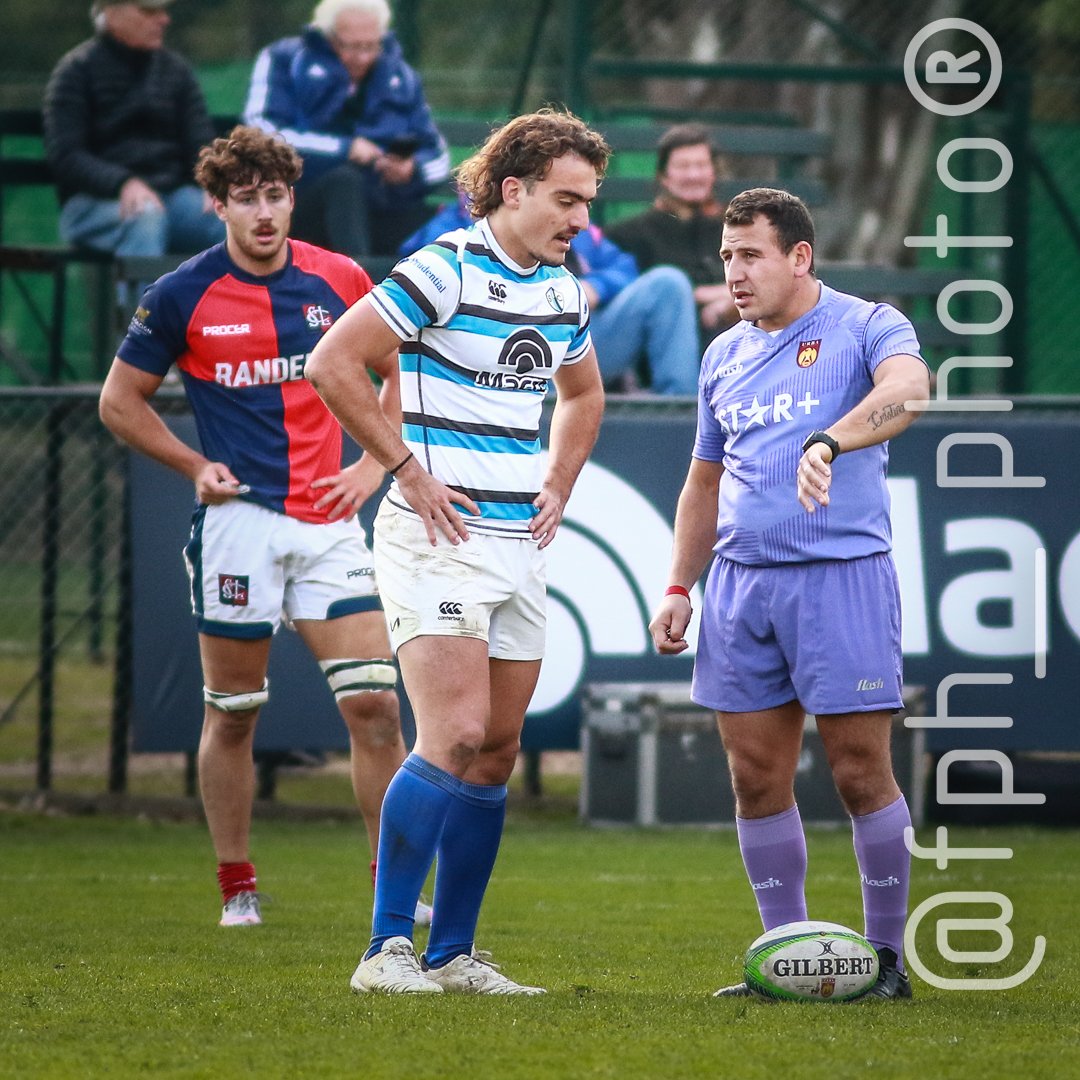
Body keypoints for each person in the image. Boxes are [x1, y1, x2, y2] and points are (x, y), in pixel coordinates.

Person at [304, 108, 609, 994]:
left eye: (587, 202)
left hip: (519, 542)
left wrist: (559, 482)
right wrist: (403, 470)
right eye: (565, 199)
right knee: (455, 733)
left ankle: (455, 956)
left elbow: (582, 397)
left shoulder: (563, 291)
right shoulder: (442, 266)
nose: (579, 219)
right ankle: (385, 950)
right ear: (511, 190)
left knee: (499, 747)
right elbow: (334, 363)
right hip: (435, 538)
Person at [98, 125, 430, 930]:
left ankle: (392, 890)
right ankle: (236, 885)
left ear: (291, 198)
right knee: (235, 712)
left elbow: (402, 368)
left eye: (276, 196)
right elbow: (118, 401)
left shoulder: (339, 275)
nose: (264, 213)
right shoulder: (181, 293)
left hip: (327, 523)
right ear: (217, 204)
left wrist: (371, 466)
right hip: (238, 523)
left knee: (378, 709)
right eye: (245, 199)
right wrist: (192, 466)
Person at [648, 187, 929, 1000]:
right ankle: (789, 959)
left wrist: (832, 438)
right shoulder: (723, 353)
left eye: (751, 256)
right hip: (740, 589)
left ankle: (885, 963)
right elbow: (704, 482)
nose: (734, 272)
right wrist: (678, 585)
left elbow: (912, 387)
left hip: (840, 578)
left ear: (799, 257)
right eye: (728, 257)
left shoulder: (865, 324)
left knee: (858, 773)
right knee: (754, 778)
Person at [401, 195, 700, 394]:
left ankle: (676, 413)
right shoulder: (449, 232)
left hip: (580, 340)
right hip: (492, 357)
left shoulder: (566, 222)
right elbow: (416, 273)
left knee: (668, 283)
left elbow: (624, 267)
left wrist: (596, 286)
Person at [243, 0, 450, 258]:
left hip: (383, 205)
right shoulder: (284, 59)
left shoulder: (401, 76)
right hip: (302, 205)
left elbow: (438, 156)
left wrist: (411, 169)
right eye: (351, 46)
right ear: (329, 37)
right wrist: (344, 149)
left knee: (445, 229)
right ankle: (358, 288)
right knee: (346, 182)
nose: (362, 57)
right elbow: (260, 132)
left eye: (371, 45)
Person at [43, 0, 224, 258]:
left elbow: (200, 139)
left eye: (164, 11)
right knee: (145, 216)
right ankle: (141, 300)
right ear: (111, 13)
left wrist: (213, 181)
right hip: (93, 204)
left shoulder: (177, 72)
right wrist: (124, 184)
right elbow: (67, 156)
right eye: (149, 11)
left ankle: (237, 299)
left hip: (173, 199)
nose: (164, 20)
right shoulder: (75, 72)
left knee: (230, 218)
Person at [606, 123, 737, 345]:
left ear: (713, 173)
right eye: (683, 166)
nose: (693, 175)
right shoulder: (629, 235)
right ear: (663, 176)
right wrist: (711, 295)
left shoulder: (732, 231)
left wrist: (726, 305)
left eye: (701, 165)